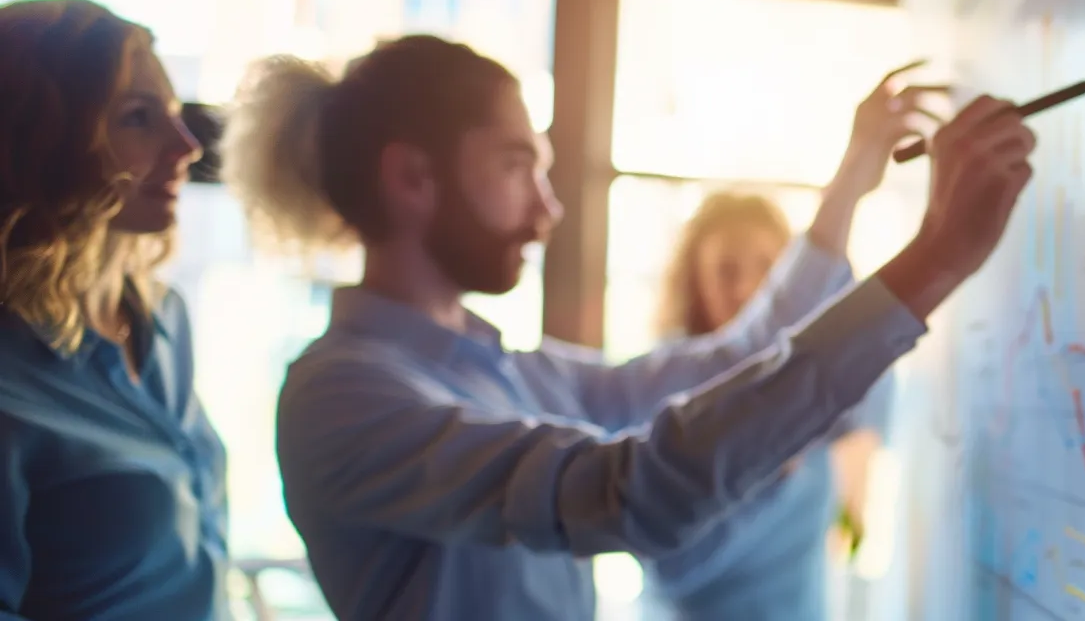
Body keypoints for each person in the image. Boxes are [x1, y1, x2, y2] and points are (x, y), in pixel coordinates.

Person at [218, 34, 1036, 621]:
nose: (549, 207)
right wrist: (933, 261)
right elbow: (632, 493)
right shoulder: (344, 395)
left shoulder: (513, 370)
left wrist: (852, 181)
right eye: (517, 166)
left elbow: (735, 358)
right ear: (410, 178)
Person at [0, 0, 227, 619]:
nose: (185, 147)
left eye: (177, 117)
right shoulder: (8, 382)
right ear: (43, 142)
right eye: (137, 118)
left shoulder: (165, 319)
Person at [633, 190, 898, 618]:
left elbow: (852, 508)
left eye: (767, 270)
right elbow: (669, 565)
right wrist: (768, 462)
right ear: (694, 280)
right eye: (725, 270)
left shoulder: (816, 378)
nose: (744, 289)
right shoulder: (664, 387)